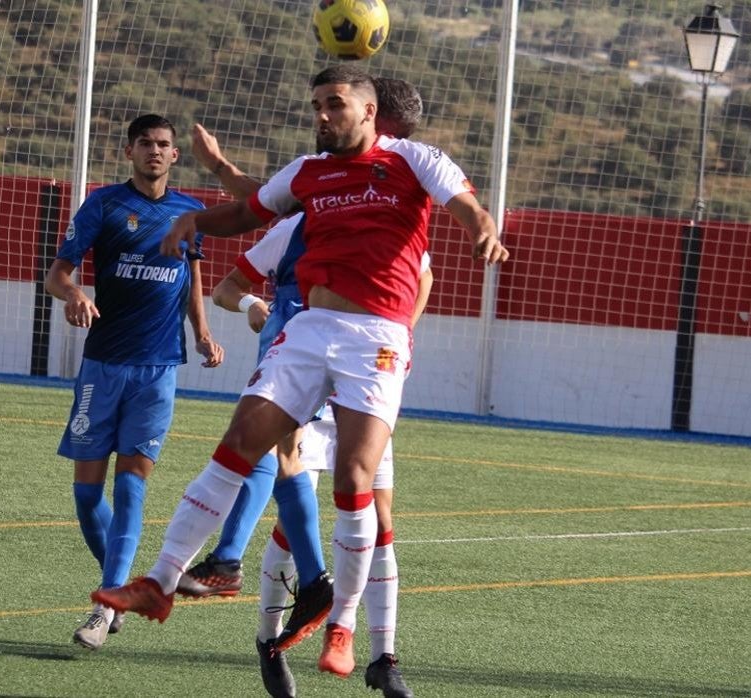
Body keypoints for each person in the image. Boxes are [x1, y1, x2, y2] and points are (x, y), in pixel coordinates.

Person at [93, 65, 508, 681]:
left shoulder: (415, 159)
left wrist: (481, 228)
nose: (322, 114)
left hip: (378, 337)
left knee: (353, 477)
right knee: (238, 446)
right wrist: (195, 221)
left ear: (368, 111)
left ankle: (342, 625)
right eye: (316, 104)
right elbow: (248, 212)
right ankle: (160, 581)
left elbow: (465, 205)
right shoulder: (308, 173)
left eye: (334, 104)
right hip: (311, 329)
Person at [183, 77, 429, 698]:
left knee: (378, 511)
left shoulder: (398, 209)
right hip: (299, 369)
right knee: (292, 512)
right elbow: (250, 223)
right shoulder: (303, 212)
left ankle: (381, 652)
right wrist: (256, 307)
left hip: (367, 370)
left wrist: (394, 346)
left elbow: (420, 283)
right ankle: (271, 638)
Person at [47, 113, 224, 650]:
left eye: (164, 145)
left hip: (158, 369)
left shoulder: (190, 213)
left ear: (175, 155)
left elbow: (191, 276)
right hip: (101, 365)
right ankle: (126, 586)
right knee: (84, 495)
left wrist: (202, 332)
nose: (155, 151)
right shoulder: (103, 204)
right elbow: (57, 273)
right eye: (145, 143)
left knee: (130, 487)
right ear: (129, 151)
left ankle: (103, 609)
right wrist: (75, 294)